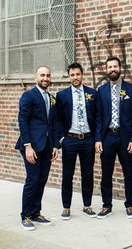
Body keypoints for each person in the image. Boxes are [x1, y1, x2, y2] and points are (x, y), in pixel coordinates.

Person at [95, 56, 132, 219]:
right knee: (106, 173)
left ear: (120, 68)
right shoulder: (101, 90)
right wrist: (98, 139)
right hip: (107, 137)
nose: (112, 69)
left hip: (126, 138)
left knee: (129, 172)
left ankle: (129, 205)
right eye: (109, 67)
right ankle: (106, 205)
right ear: (106, 70)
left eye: (115, 66)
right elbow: (99, 116)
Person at [15, 66, 59, 231]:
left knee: (41, 180)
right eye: (42, 75)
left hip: (47, 146)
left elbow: (53, 123)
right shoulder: (28, 95)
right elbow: (23, 120)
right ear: (36, 77)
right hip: (32, 146)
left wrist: (55, 145)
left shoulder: (51, 97)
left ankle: (35, 212)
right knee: (32, 180)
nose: (45, 78)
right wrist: (27, 146)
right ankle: (25, 215)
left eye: (48, 75)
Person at [56, 63, 97, 220]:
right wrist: (62, 139)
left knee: (87, 174)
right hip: (70, 140)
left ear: (82, 74)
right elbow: (58, 119)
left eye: (77, 74)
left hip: (87, 140)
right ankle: (66, 207)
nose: (75, 77)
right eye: (72, 75)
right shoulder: (62, 95)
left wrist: (95, 138)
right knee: (68, 174)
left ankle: (87, 205)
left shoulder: (92, 93)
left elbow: (98, 116)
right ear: (69, 76)